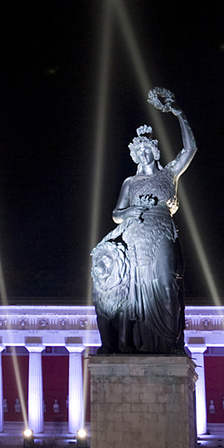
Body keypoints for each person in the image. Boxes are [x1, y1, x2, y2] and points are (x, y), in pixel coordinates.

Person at [92, 87, 197, 355]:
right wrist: (130, 212)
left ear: (154, 150)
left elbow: (190, 148)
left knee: (165, 284)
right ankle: (139, 344)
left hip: (162, 232)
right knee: (135, 298)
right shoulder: (130, 182)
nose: (143, 154)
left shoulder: (170, 173)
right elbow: (117, 213)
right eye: (138, 152)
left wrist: (178, 113)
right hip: (135, 237)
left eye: (146, 149)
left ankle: (171, 342)